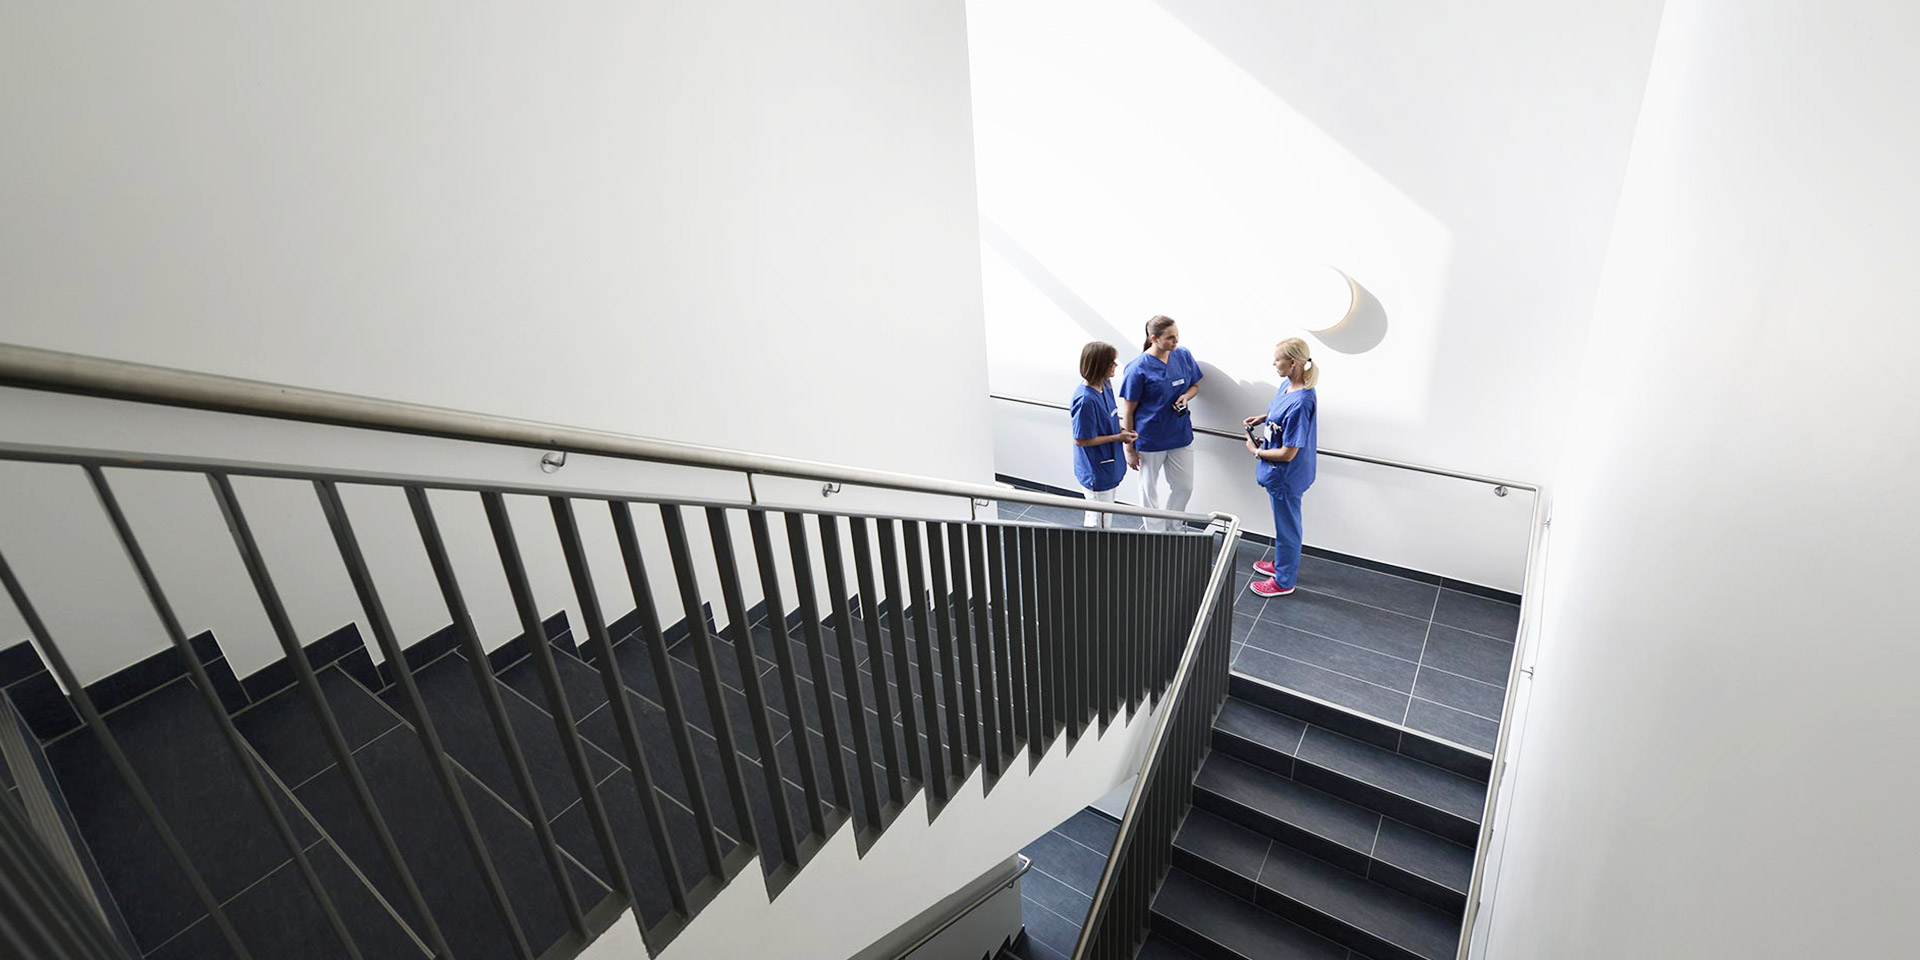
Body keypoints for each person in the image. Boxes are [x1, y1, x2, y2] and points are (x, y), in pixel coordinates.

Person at [1244, 337, 1319, 597]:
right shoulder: (1288, 386)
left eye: (1277, 359)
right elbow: (1280, 414)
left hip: (1286, 475)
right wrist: (1263, 418)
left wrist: (1256, 452)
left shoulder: (1302, 401)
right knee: (1283, 523)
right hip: (1280, 475)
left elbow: (1288, 453)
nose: (1273, 363)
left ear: (1293, 362)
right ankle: (1280, 564)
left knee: (1287, 527)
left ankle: (1284, 581)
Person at [1119, 316, 1203, 532]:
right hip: (1149, 437)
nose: (1176, 341)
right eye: (1170, 338)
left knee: (1184, 486)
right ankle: (1154, 532)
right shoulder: (1138, 368)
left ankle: (1173, 527)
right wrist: (1129, 448)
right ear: (1154, 339)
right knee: (1149, 489)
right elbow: (1128, 411)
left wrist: (1186, 397)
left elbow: (1195, 385)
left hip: (1179, 434)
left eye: (1177, 335)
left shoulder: (1182, 355)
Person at [1070, 342, 1136, 527]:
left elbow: (1109, 418)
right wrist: (1118, 438)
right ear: (1099, 365)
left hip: (1109, 464)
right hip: (1096, 469)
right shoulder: (1085, 401)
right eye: (1111, 363)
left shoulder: (1105, 385)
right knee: (1098, 520)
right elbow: (1081, 440)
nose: (1115, 365)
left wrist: (1122, 431)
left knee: (1105, 515)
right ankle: (1095, 553)